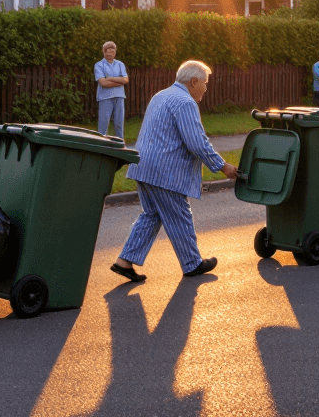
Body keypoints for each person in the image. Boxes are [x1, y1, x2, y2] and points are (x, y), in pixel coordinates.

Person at [112, 60, 239, 282]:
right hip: (165, 172)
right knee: (180, 214)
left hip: (143, 167)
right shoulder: (185, 102)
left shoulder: (161, 95)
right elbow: (196, 142)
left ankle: (124, 261)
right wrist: (222, 166)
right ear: (194, 81)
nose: (206, 89)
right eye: (205, 83)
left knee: (151, 215)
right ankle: (192, 263)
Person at [95, 41, 129, 140]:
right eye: (109, 51)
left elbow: (125, 80)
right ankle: (101, 145)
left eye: (113, 51)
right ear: (104, 52)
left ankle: (120, 145)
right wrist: (119, 82)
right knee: (103, 125)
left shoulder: (120, 64)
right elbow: (103, 83)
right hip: (105, 98)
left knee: (119, 124)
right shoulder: (99, 65)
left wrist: (110, 78)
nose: (111, 54)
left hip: (119, 96)